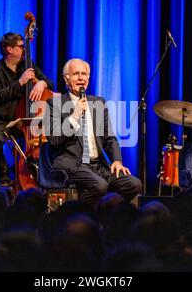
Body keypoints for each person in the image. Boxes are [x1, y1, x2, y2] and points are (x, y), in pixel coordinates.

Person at [45, 58, 142, 209]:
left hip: (97, 165)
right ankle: (78, 216)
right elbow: (54, 139)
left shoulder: (98, 103)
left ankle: (105, 214)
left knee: (133, 184)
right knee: (100, 186)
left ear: (89, 79)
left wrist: (117, 161)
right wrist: (75, 114)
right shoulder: (54, 104)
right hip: (73, 164)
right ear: (66, 79)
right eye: (76, 74)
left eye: (84, 74)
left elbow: (110, 137)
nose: (81, 78)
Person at [0, 32, 54, 185]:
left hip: (22, 121)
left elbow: (49, 82)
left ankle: (31, 172)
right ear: (9, 49)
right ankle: (4, 170)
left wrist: (42, 83)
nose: (25, 50)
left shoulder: (28, 65)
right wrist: (20, 82)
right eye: (21, 47)